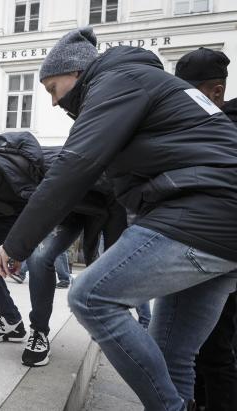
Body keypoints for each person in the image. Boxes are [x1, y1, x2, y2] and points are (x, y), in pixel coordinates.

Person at [0, 27, 237, 411]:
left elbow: (75, 166)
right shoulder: (139, 82)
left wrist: (16, 243)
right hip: (217, 222)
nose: (55, 103)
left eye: (53, 89)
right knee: (172, 356)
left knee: (90, 296)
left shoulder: (117, 81)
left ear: (76, 74)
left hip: (206, 209)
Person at [0, 133, 125, 368]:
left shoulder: (22, 171)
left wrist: (16, 248)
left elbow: (92, 184)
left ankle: (39, 331)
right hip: (18, 218)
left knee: (40, 256)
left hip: (63, 210)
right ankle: (10, 320)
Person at [175, 47, 237, 411]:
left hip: (223, 251)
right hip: (205, 247)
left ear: (214, 92)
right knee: (201, 348)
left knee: (216, 350)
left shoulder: (224, 128)